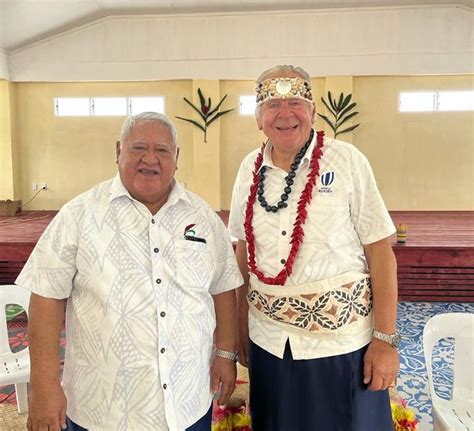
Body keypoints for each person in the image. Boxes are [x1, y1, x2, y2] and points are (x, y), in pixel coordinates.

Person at [16, 112, 243, 431]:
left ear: (176, 158)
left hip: (187, 404)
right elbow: (45, 297)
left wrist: (225, 354)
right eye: (138, 148)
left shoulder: (202, 217)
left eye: (162, 150)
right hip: (103, 411)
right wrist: (43, 386)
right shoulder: (79, 215)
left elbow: (222, 287)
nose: (150, 158)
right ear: (118, 151)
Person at [229, 65, 400, 430]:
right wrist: (240, 328)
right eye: (273, 104)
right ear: (259, 118)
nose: (285, 113)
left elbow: (381, 251)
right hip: (270, 343)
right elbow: (243, 252)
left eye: (296, 102)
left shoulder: (347, 161)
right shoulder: (249, 169)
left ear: (313, 111)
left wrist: (385, 340)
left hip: (341, 347)